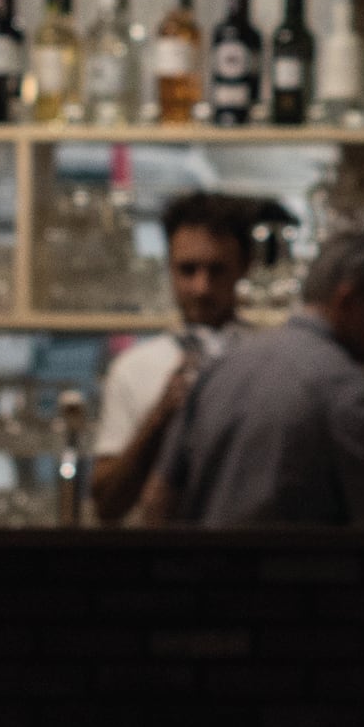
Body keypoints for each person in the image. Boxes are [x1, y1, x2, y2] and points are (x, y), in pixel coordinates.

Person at [151, 229, 364, 527]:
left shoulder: (221, 365)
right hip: (303, 571)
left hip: (199, 569)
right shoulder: (349, 387)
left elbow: (158, 500)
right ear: (348, 302)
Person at [87, 190, 259, 524]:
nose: (201, 288)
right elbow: (107, 507)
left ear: (244, 267)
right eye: (188, 270)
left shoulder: (269, 362)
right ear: (168, 266)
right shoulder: (133, 369)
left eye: (217, 270)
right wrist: (160, 417)